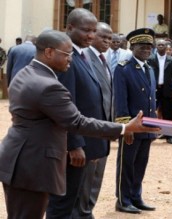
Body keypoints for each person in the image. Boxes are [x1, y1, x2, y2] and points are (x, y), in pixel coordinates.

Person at [0, 29, 158, 219]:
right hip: (32, 163)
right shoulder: (48, 85)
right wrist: (125, 127)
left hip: (21, 158)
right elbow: (77, 122)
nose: (70, 59)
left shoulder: (27, 72)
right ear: (49, 52)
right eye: (67, 54)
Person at [46, 8, 109, 218]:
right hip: (74, 144)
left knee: (75, 197)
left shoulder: (83, 55)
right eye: (86, 30)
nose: (91, 35)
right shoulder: (66, 58)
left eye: (93, 31)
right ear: (69, 28)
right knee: (62, 202)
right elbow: (66, 106)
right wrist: (74, 144)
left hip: (86, 139)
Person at [70, 22, 113, 219]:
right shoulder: (80, 58)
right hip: (86, 131)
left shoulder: (104, 60)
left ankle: (87, 211)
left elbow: (107, 97)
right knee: (82, 181)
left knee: (95, 178)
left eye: (108, 38)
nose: (105, 40)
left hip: (100, 131)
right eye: (100, 35)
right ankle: (81, 212)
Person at [113, 28, 157, 214]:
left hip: (146, 126)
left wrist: (154, 125)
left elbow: (151, 99)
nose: (147, 50)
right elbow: (121, 100)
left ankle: (136, 197)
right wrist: (126, 127)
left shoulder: (150, 69)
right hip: (132, 126)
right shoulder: (123, 68)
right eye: (142, 46)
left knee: (141, 163)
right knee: (127, 164)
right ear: (132, 47)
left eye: (149, 46)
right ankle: (123, 200)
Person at [148, 39, 172, 144]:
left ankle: (168, 135)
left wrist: (167, 83)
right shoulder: (150, 59)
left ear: (167, 47)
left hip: (166, 89)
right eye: (159, 45)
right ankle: (149, 134)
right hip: (153, 89)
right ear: (156, 46)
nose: (161, 46)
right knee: (151, 111)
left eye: (163, 45)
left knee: (168, 112)